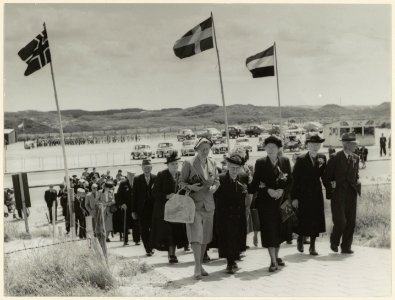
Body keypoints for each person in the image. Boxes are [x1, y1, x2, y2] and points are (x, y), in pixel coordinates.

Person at [248, 135, 292, 272]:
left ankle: (277, 257)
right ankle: (273, 261)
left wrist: (281, 190)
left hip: (281, 203)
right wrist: (267, 190)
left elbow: (291, 181)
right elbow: (254, 184)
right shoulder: (260, 163)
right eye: (268, 147)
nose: (270, 149)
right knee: (269, 231)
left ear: (279, 148)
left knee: (279, 231)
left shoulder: (285, 161)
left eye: (273, 147)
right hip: (266, 204)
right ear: (264, 148)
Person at [179, 137, 220, 279]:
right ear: (196, 149)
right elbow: (181, 182)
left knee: (205, 238)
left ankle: (200, 263)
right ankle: (197, 266)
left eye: (207, 148)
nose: (205, 151)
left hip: (208, 205)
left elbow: (217, 180)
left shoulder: (213, 162)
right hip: (193, 205)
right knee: (196, 237)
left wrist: (215, 186)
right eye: (202, 148)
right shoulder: (188, 163)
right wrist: (190, 186)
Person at [324, 132, 360, 254]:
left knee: (351, 222)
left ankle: (346, 247)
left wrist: (357, 182)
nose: (356, 146)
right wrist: (331, 189)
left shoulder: (356, 158)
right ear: (346, 145)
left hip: (352, 195)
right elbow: (326, 177)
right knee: (340, 222)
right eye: (354, 144)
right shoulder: (335, 158)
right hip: (338, 195)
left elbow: (356, 175)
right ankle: (334, 240)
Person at [291, 133, 327, 255]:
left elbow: (324, 176)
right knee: (304, 218)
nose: (316, 146)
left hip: (316, 193)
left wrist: (331, 188)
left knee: (316, 218)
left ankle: (312, 246)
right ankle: (300, 238)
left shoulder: (322, 158)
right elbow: (294, 180)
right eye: (313, 144)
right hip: (303, 194)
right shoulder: (301, 159)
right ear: (308, 145)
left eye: (318, 144)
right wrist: (294, 197)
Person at [150, 153, 188, 263]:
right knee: (168, 232)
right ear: (168, 165)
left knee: (176, 231)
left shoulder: (180, 175)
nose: (175, 166)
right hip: (164, 209)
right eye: (172, 164)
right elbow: (154, 192)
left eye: (176, 164)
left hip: (176, 209)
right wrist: (167, 196)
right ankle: (171, 255)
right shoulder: (161, 175)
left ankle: (173, 253)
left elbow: (184, 191)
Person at [214, 153, 248, 274]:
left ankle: (234, 258)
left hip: (239, 213)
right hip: (225, 214)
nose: (234, 171)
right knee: (227, 238)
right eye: (232, 168)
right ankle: (230, 262)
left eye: (237, 168)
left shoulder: (243, 177)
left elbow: (249, 190)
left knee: (237, 236)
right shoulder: (221, 178)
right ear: (227, 166)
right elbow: (214, 195)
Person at [132, 159, 156, 256]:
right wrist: (133, 211)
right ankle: (148, 249)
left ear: (151, 168)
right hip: (141, 210)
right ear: (142, 168)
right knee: (144, 230)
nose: (147, 169)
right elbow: (134, 196)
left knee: (154, 229)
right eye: (145, 167)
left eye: (148, 167)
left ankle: (152, 246)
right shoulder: (137, 179)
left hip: (153, 209)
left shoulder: (156, 177)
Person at [117, 175, 140, 246]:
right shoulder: (123, 183)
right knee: (125, 224)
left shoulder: (137, 182)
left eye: (133, 175)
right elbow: (118, 196)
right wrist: (122, 204)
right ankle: (125, 240)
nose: (132, 176)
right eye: (130, 174)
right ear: (127, 175)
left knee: (136, 223)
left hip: (135, 207)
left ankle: (137, 240)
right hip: (126, 207)